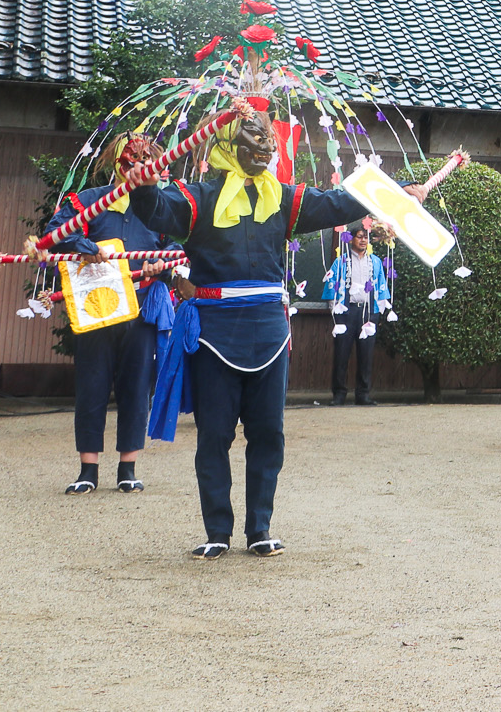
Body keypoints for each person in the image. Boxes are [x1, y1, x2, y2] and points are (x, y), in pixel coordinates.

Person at [134, 104, 391, 559]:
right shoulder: (197, 198)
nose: (263, 150)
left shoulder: (284, 199)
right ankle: (217, 530)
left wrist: (392, 196)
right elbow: (156, 210)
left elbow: (339, 203)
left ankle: (260, 528)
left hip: (270, 333)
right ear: (227, 146)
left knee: (269, 433)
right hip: (215, 333)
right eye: (251, 142)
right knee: (214, 434)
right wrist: (142, 182)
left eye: (267, 143)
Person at [46, 134, 175, 496]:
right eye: (131, 161)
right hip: (96, 311)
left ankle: (128, 468)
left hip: (140, 309)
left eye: (144, 162)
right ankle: (88, 470)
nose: (137, 168)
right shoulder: (87, 202)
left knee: (136, 387)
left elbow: (180, 242)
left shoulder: (160, 206)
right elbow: (54, 233)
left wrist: (161, 261)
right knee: (92, 384)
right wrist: (83, 246)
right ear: (118, 163)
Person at [324, 227, 391, 407]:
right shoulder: (341, 261)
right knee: (341, 353)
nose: (363, 240)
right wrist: (333, 307)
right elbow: (331, 282)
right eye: (359, 237)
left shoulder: (375, 262)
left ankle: (363, 394)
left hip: (368, 311)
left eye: (365, 237)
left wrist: (381, 308)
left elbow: (382, 285)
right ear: (351, 239)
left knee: (366, 354)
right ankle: (339, 394)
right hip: (346, 311)